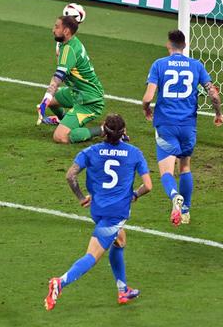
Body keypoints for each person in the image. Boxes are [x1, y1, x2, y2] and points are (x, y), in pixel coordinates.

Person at [44, 114, 153, 311]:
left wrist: (80, 197)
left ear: (103, 130)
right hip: (115, 214)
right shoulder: (134, 153)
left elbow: (70, 176)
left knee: (120, 240)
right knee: (92, 255)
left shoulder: (90, 151)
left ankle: (123, 289)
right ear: (124, 132)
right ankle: (60, 282)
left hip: (98, 209)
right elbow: (148, 186)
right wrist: (135, 194)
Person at [142, 30, 223, 226]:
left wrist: (146, 109)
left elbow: (147, 97)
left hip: (166, 125)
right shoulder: (196, 65)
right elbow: (212, 94)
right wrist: (218, 113)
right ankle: (185, 210)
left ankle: (174, 196)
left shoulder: (159, 64)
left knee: (167, 172)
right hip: (188, 126)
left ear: (168, 45)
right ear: (184, 46)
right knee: (185, 166)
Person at [37, 16, 105, 144]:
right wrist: (47, 101)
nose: (53, 30)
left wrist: (46, 98)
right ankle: (64, 121)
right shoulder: (70, 43)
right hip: (77, 92)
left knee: (60, 137)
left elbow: (57, 78)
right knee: (51, 101)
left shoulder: (69, 49)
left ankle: (103, 130)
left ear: (66, 31)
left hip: (89, 101)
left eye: (57, 27)